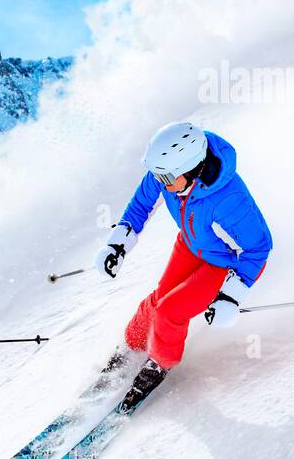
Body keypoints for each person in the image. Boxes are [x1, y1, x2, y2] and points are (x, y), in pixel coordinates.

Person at [93, 121, 273, 407]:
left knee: (169, 312)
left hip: (221, 264)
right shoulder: (168, 174)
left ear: (190, 170)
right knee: (156, 302)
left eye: (165, 177)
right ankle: (131, 348)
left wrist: (230, 296)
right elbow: (141, 205)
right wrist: (118, 244)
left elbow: (258, 248)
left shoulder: (229, 199)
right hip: (191, 245)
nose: (159, 181)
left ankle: (159, 364)